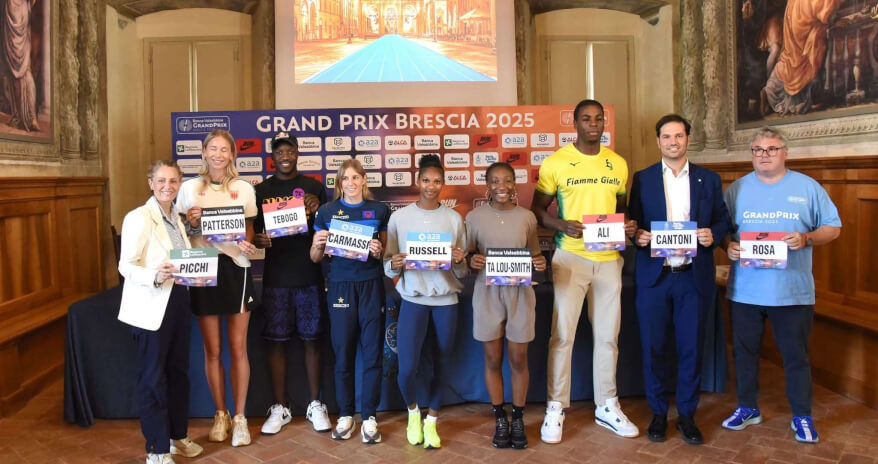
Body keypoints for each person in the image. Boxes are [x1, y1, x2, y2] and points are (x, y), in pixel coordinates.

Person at [722, 127, 841, 443]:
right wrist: (727, 245)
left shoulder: (807, 187)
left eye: (771, 149)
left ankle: (802, 415)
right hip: (746, 291)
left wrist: (807, 238)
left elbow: (833, 227)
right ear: (752, 154)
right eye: (758, 150)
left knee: (796, 357)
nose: (764, 155)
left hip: (792, 292)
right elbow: (723, 230)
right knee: (744, 354)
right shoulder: (736, 189)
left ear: (784, 153)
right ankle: (748, 408)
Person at [531, 99, 638, 443]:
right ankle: (555, 407)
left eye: (598, 119)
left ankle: (607, 404)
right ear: (575, 123)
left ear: (604, 123)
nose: (593, 124)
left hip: (608, 260)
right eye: (586, 119)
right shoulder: (556, 162)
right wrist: (561, 223)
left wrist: (626, 226)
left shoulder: (617, 164)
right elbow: (537, 209)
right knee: (562, 335)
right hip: (570, 259)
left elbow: (620, 210)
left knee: (608, 336)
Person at [628, 114, 730, 445]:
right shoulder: (642, 179)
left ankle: (687, 415)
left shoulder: (708, 179)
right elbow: (633, 222)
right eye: (667, 136)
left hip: (692, 278)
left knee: (691, 349)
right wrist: (637, 236)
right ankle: (658, 414)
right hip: (655, 278)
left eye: (679, 136)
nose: (673, 141)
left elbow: (722, 220)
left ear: (688, 139)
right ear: (658, 141)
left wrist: (712, 235)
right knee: (653, 348)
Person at [176, 129, 259, 447]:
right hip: (202, 266)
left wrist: (247, 244)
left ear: (233, 154)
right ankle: (220, 413)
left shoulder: (243, 189)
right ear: (204, 152)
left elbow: (249, 230)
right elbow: (180, 231)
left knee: (238, 348)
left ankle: (240, 418)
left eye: (224, 149)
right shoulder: (188, 189)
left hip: (235, 268)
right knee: (212, 349)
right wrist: (191, 222)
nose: (218, 154)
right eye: (213, 148)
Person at [118, 160, 203, 464]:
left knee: (178, 374)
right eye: (162, 181)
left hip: (178, 300)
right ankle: (156, 448)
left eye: (173, 181)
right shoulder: (138, 217)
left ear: (179, 184)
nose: (168, 186)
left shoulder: (176, 218)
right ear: (151, 183)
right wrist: (154, 275)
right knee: (153, 379)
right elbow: (125, 265)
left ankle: (177, 436)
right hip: (151, 305)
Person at [384, 154, 467, 449]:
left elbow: (462, 271)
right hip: (413, 299)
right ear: (417, 181)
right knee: (407, 368)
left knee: (441, 365)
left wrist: (460, 260)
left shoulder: (454, 219)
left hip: (446, 301)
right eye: (426, 180)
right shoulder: (399, 218)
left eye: (437, 181)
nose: (431, 186)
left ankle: (431, 420)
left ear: (443, 184)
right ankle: (413, 413)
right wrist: (394, 264)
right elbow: (389, 264)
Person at [253, 132, 331, 436]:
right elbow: (253, 233)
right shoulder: (262, 190)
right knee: (276, 342)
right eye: (279, 152)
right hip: (276, 278)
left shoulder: (314, 187)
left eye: (290, 151)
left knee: (313, 340)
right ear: (272, 156)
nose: (285, 156)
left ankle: (315, 404)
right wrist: (258, 240)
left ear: (297, 153)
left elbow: (328, 229)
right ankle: (280, 407)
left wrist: (318, 209)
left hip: (309, 275)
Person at [465, 161, 546, 449]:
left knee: (518, 359)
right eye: (495, 181)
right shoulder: (474, 217)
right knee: (492, 359)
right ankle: (500, 416)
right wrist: (472, 261)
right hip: (487, 293)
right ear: (487, 186)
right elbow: (467, 258)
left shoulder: (527, 217)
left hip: (520, 293)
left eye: (507, 180)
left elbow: (535, 254)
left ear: (514, 184)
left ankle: (518, 417)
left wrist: (539, 262)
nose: (502, 186)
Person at [311, 159, 390, 444]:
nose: (351, 183)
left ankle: (369, 416)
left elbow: (385, 253)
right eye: (346, 178)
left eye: (356, 177)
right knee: (343, 353)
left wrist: (379, 250)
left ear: (364, 180)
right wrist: (317, 245)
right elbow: (315, 257)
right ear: (339, 183)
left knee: (372, 354)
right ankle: (345, 414)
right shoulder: (327, 211)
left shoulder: (379, 210)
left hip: (370, 286)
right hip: (340, 287)